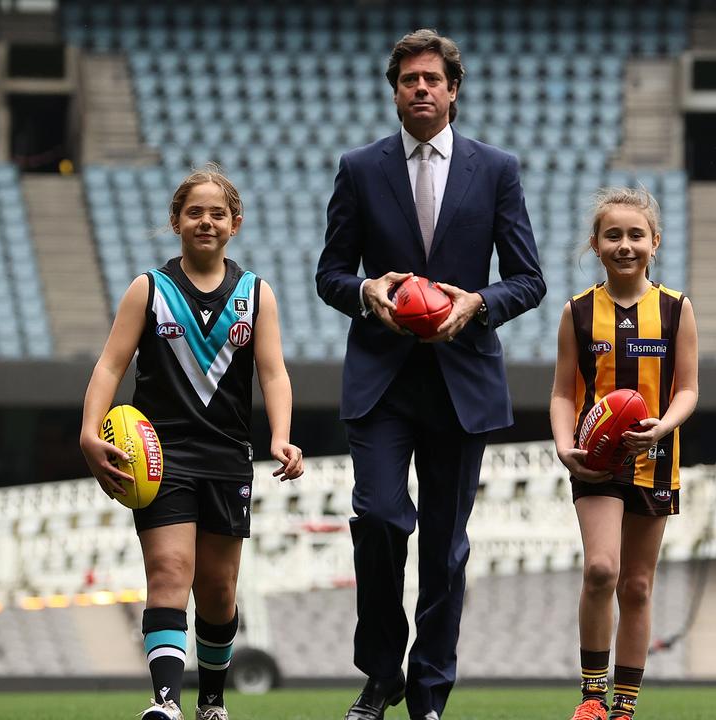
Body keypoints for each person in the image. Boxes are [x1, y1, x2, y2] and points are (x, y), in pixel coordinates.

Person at [315, 28, 545, 720]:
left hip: (461, 380)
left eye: (432, 79)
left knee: (445, 550)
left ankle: (430, 692)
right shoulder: (359, 168)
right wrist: (368, 296)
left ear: (452, 90)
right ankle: (380, 674)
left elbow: (528, 279)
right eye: (408, 79)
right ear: (394, 92)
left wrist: (477, 303)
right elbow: (330, 274)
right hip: (381, 380)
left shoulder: (496, 168)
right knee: (381, 519)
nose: (421, 88)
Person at [80, 166, 303, 720]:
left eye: (217, 213)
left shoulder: (256, 293)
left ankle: (211, 702)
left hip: (228, 457)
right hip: (158, 456)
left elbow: (273, 373)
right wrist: (89, 431)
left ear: (235, 224)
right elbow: (110, 365)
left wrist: (281, 436)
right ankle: (164, 703)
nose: (206, 221)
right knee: (169, 571)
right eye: (195, 212)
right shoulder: (149, 289)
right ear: (176, 221)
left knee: (219, 590)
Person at [549, 188, 698, 720]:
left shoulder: (677, 309)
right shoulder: (578, 312)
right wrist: (565, 444)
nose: (625, 244)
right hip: (596, 458)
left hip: (656, 458)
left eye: (636, 235)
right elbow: (563, 391)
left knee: (636, 586)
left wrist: (665, 426)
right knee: (600, 570)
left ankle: (624, 706)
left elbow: (688, 390)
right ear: (595, 244)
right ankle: (592, 695)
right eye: (613, 235)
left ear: (654, 242)